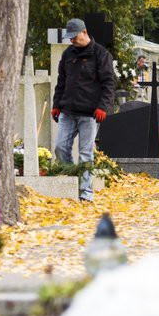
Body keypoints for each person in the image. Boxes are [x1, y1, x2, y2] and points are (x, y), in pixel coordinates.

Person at [52, 18, 116, 202]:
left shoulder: (101, 54)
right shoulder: (67, 55)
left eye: (74, 37)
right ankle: (72, 179)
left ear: (84, 32)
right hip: (68, 111)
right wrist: (57, 104)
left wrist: (103, 107)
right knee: (60, 147)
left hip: (89, 113)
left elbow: (109, 83)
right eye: (70, 38)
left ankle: (85, 192)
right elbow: (61, 82)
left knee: (85, 153)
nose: (72, 40)